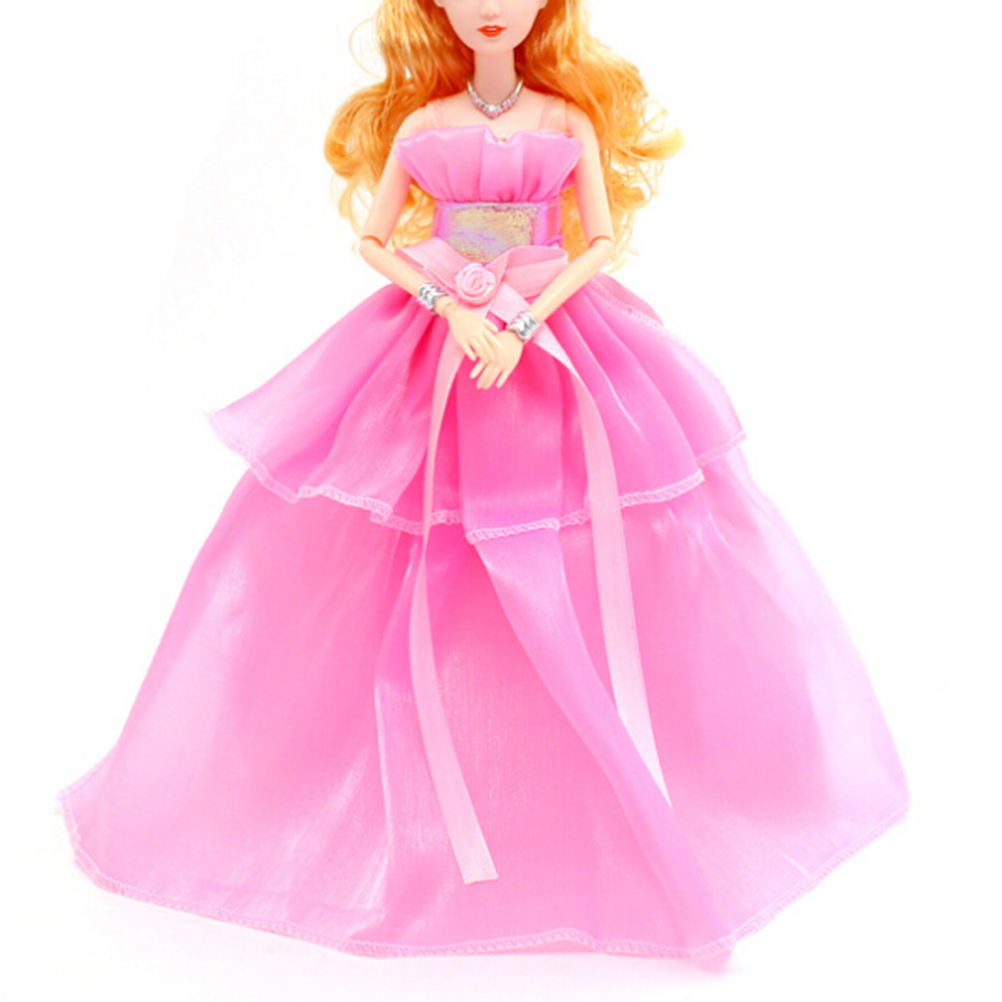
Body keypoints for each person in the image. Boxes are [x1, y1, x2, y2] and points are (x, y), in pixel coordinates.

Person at [57, 0, 910, 962]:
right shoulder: (425, 125)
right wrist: (453, 306)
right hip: (441, 339)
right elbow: (376, 239)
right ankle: (396, 777)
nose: (491, 8)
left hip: (554, 336)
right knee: (402, 529)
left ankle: (624, 774)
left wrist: (526, 316)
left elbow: (596, 241)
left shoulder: (565, 118)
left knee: (608, 527)